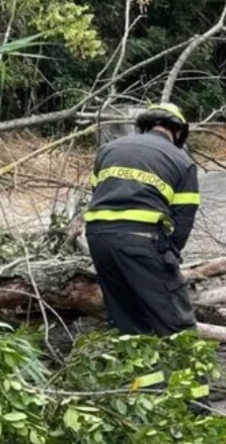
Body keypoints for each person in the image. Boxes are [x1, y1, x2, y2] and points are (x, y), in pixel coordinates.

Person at [84, 103, 200, 337]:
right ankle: (193, 372)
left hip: (98, 239)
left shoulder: (107, 150)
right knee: (176, 320)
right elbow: (183, 220)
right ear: (177, 131)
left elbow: (97, 193)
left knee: (128, 321)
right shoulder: (182, 160)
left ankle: (144, 373)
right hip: (142, 241)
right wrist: (169, 255)